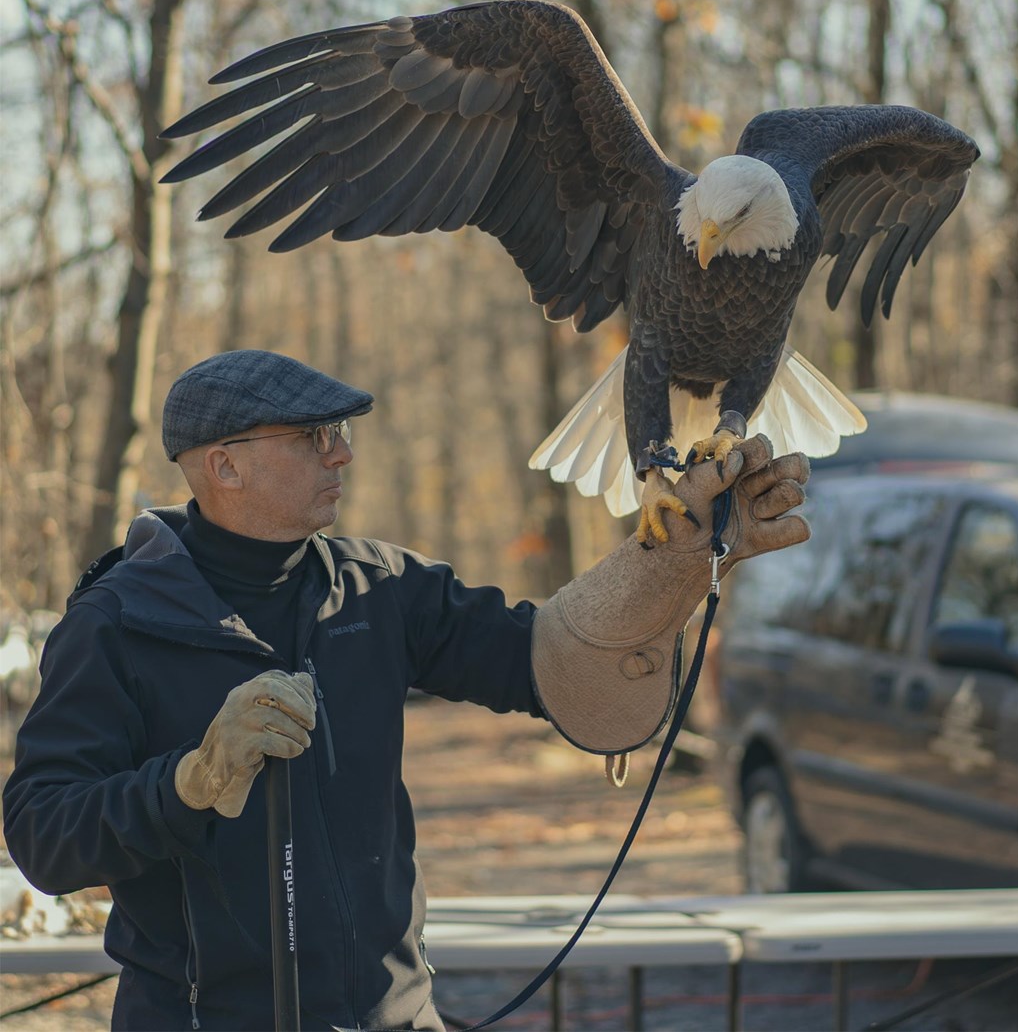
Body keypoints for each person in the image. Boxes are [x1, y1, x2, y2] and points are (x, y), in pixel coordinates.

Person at [3, 349, 811, 1031]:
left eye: (342, 434)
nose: (342, 454)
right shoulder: (116, 623)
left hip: (396, 1017)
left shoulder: (378, 587)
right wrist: (191, 781)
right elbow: (43, 835)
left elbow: (552, 657)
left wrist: (680, 554)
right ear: (225, 465)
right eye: (316, 436)